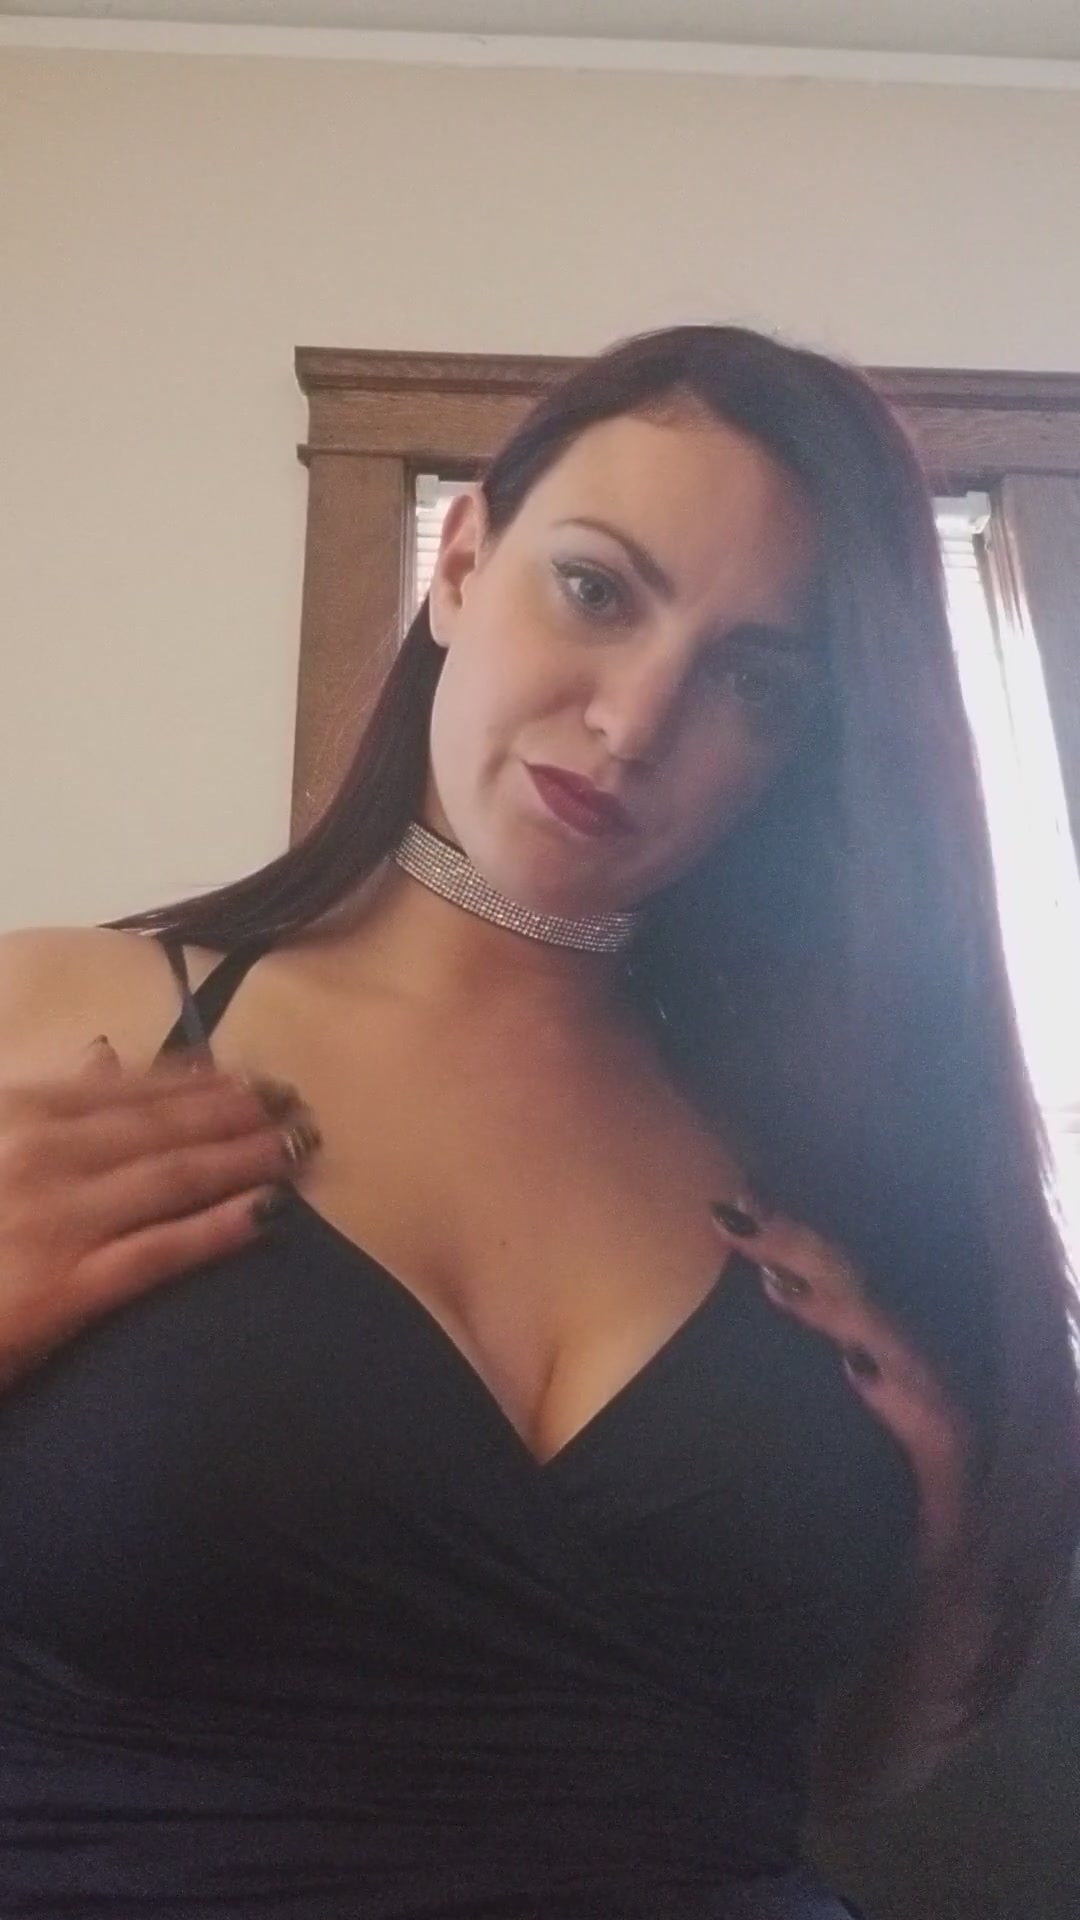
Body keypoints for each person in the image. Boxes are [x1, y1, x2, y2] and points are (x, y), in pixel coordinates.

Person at [0, 325, 1076, 1920]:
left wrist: (939, 1573)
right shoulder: (45, 1014)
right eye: (597, 589)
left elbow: (852, 1774)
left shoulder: (835, 1169)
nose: (635, 720)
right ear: (460, 563)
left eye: (754, 681)